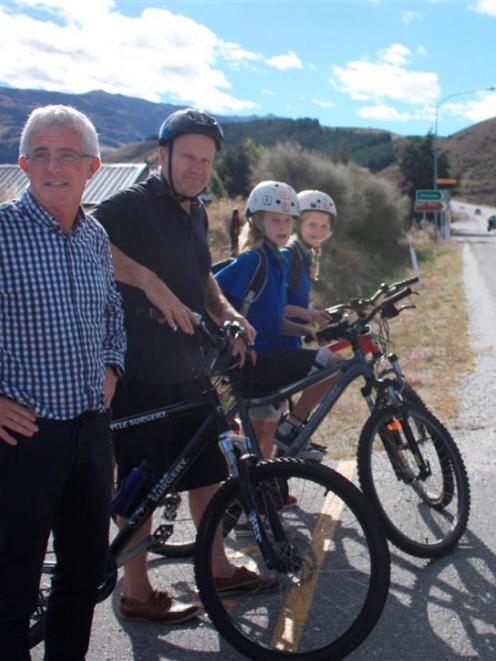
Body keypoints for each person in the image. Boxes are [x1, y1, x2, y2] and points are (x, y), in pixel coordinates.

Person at [93, 108, 276, 625]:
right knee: (141, 484)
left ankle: (216, 567)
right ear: (162, 155)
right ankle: (136, 590)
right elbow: (88, 243)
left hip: (189, 366)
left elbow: (203, 279)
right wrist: (148, 281)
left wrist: (231, 314)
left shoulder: (195, 210)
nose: (198, 167)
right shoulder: (130, 204)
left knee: (206, 474)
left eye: (206, 160)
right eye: (188, 156)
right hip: (139, 368)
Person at [0, 105, 126, 661]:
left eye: (67, 154)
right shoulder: (3, 232)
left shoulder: (96, 237)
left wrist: (112, 366)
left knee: (81, 581)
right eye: (41, 155)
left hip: (91, 437)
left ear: (92, 166)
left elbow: (112, 313)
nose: (54, 166)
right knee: (9, 594)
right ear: (24, 165)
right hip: (21, 442)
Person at [214, 180, 340, 461]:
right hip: (256, 360)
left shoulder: (278, 261)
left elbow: (274, 318)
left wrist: (306, 329)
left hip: (269, 355)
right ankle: (293, 428)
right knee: (333, 365)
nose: (283, 227)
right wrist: (234, 336)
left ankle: (264, 490)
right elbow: (209, 291)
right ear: (257, 222)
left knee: (263, 432)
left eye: (287, 220)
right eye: (274, 220)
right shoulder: (253, 260)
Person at [282, 189, 338, 349]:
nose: (319, 232)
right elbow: (271, 307)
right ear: (298, 224)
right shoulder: (288, 256)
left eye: (324, 226)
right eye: (312, 224)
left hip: (293, 342)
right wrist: (307, 314)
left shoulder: (304, 257)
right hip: (278, 343)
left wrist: (314, 314)